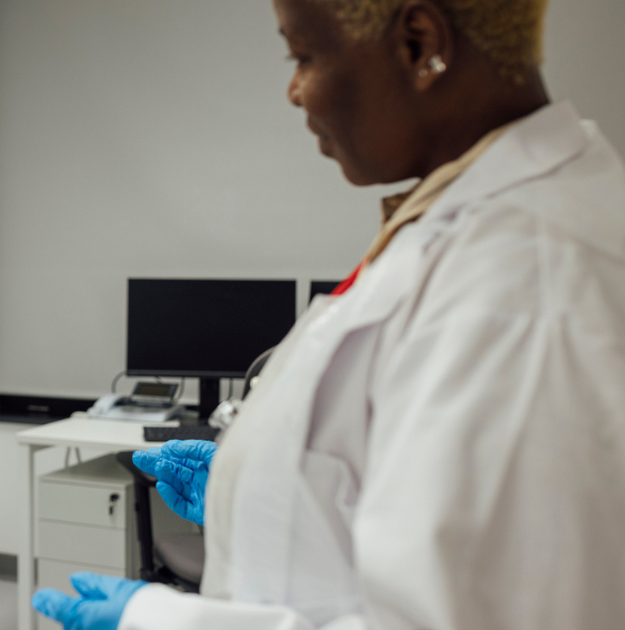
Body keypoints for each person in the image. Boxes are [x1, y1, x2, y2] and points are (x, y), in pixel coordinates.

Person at [33, 0, 625, 628]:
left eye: (303, 56)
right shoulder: (466, 224)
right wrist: (259, 489)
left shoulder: (526, 286)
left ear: (420, 45)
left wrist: (168, 621)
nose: (294, 91)